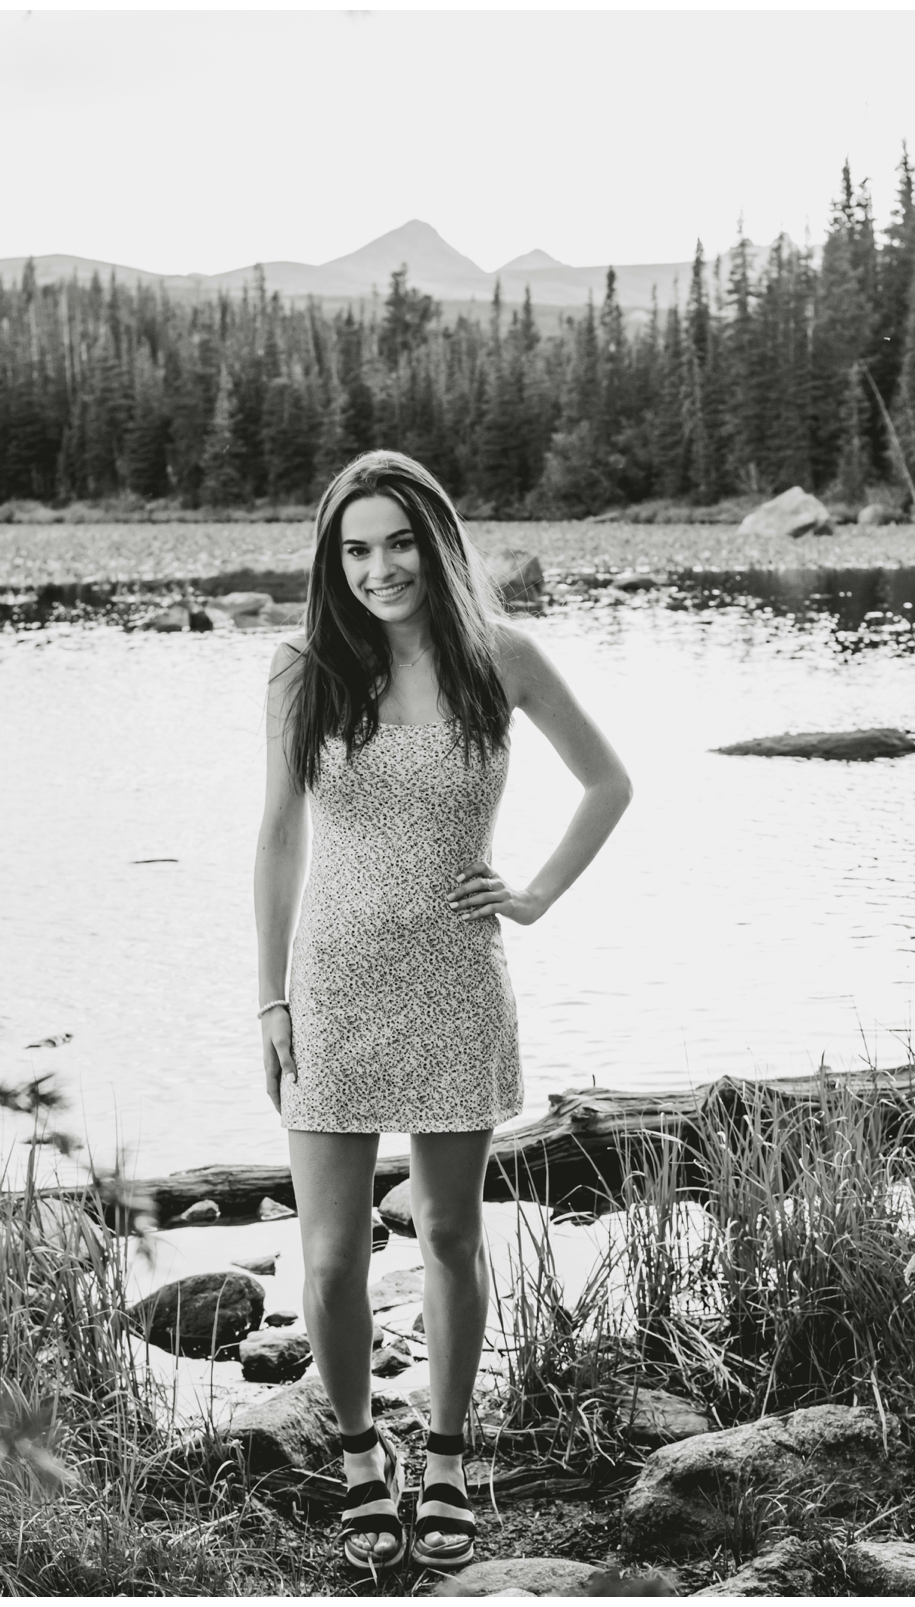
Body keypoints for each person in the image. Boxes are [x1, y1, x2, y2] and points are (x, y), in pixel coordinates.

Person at [253, 450, 632, 1575]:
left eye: (398, 542)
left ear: (436, 539)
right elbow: (277, 839)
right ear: (335, 561)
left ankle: (454, 1451)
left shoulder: (499, 659)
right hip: (329, 985)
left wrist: (534, 893)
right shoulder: (301, 669)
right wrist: (267, 995)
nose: (379, 569)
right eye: (356, 549)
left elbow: (609, 781)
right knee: (329, 1256)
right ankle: (364, 1453)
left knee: (453, 1231)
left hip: (458, 981)